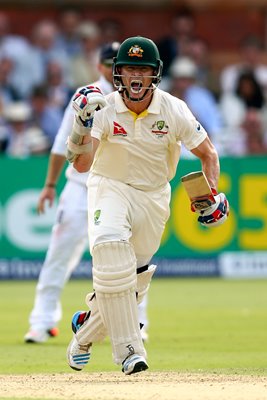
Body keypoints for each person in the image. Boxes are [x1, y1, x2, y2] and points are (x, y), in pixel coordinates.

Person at [65, 36, 229, 375]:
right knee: (111, 255)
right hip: (110, 187)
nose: (135, 77)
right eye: (128, 69)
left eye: (142, 69)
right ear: (118, 74)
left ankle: (84, 333)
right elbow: (81, 165)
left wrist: (211, 193)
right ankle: (129, 352)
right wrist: (80, 126)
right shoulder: (104, 108)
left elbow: (207, 154)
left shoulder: (173, 108)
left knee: (131, 280)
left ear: (154, 73)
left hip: (154, 196)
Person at [24, 42, 149, 344]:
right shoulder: (86, 94)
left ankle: (137, 323)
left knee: (132, 260)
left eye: (114, 64)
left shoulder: (139, 95)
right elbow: (61, 143)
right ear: (100, 66)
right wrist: (50, 185)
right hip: (81, 188)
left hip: (120, 189)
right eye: (107, 64)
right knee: (60, 254)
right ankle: (41, 322)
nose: (111, 69)